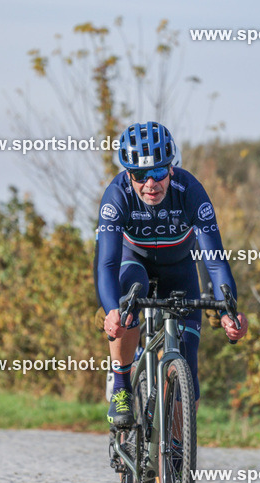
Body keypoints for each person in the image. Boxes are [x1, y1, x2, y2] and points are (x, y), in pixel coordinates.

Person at [96, 121, 248, 428]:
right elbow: (107, 264)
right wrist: (112, 311)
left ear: (172, 169)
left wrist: (229, 312)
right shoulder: (117, 196)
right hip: (131, 263)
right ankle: (123, 386)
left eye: (158, 172)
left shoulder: (191, 192)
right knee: (126, 304)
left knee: (187, 363)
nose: (150, 183)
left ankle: (175, 456)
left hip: (180, 270)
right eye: (140, 174)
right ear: (129, 175)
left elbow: (215, 261)